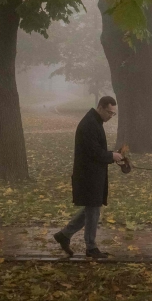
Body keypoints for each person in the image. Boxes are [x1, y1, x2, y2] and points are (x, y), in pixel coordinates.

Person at [53, 96, 124, 259]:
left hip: (92, 174)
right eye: (109, 112)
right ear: (100, 107)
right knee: (93, 211)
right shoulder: (89, 124)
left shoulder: (94, 121)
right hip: (88, 175)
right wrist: (111, 156)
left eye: (113, 114)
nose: (110, 116)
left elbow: (97, 151)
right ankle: (91, 247)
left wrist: (113, 157)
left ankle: (64, 235)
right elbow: (94, 152)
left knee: (91, 210)